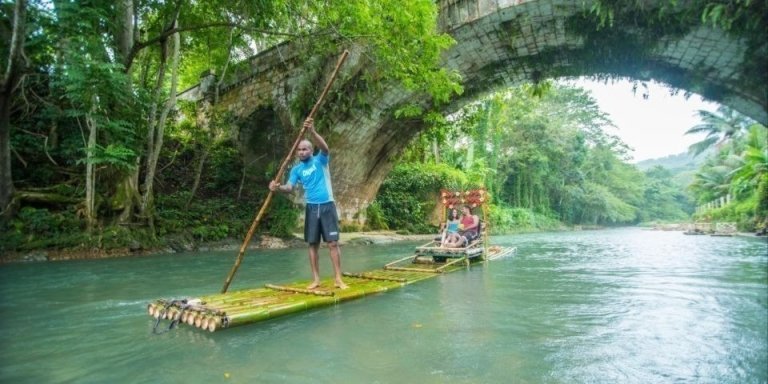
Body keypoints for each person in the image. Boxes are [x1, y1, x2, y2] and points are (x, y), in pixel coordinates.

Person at [269, 118, 348, 290]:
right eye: (299, 150)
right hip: (311, 208)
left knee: (332, 243)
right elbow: (289, 187)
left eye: (305, 149)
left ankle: (338, 278)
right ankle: (316, 280)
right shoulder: (296, 169)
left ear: (311, 150)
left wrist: (312, 131)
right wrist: (277, 187)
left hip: (327, 205)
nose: (301, 152)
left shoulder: (321, 160)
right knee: (312, 244)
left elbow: (326, 148)